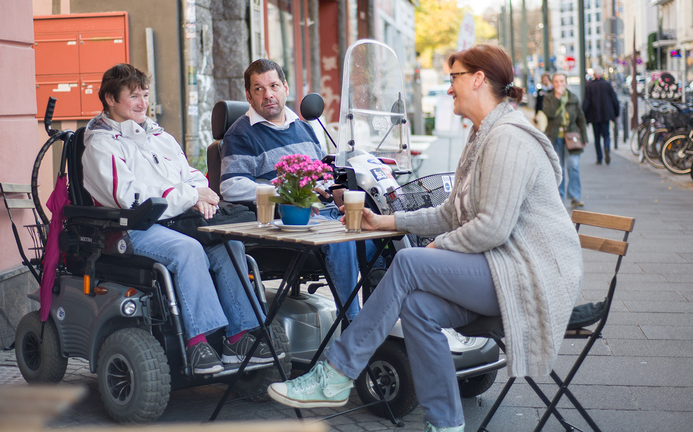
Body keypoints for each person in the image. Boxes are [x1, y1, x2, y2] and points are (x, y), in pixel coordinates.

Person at [266, 45, 583, 432]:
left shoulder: (508, 139)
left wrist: (438, 247)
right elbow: (452, 213)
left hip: (528, 276)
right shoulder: (482, 136)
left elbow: (493, 227)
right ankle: (445, 423)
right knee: (417, 307)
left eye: (454, 78)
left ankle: (336, 373)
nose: (449, 88)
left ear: (478, 79)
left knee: (410, 263)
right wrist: (385, 222)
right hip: (500, 268)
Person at [82, 64, 283, 375]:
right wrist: (191, 197)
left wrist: (199, 195)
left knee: (229, 245)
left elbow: (190, 176)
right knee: (188, 250)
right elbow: (132, 198)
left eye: (145, 95)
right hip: (134, 227)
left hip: (176, 220)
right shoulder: (100, 144)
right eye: (133, 96)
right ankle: (197, 342)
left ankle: (239, 338)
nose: (142, 103)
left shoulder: (157, 134)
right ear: (110, 98)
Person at [220, 59, 362, 320]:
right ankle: (355, 324)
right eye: (259, 89)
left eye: (273, 85)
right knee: (341, 238)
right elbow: (231, 186)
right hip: (286, 221)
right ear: (248, 96)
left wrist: (335, 189)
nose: (268, 94)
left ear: (285, 87)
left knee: (382, 241)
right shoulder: (240, 133)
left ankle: (386, 321)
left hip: (325, 212)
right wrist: (287, 191)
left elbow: (321, 176)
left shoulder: (305, 127)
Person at [543, 72, 588, 207]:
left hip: (572, 137)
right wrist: (557, 97)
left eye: (561, 81)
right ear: (553, 83)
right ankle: (559, 197)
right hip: (555, 137)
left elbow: (580, 118)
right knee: (558, 168)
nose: (559, 84)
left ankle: (575, 196)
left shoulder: (573, 98)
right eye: (556, 82)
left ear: (566, 83)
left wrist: (584, 137)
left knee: (573, 165)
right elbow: (548, 113)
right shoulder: (549, 98)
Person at [582, 66, 620, 165]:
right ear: (602, 74)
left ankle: (599, 158)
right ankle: (607, 147)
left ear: (594, 75)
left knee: (597, 138)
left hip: (594, 116)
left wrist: (583, 116)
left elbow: (586, 103)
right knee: (606, 134)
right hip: (606, 115)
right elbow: (614, 100)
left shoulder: (590, 86)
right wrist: (616, 113)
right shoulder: (607, 85)